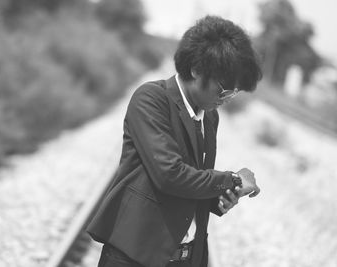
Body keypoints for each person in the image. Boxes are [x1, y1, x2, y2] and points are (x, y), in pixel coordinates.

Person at [87, 15, 262, 267]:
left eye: (234, 93)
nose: (226, 98)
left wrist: (221, 197)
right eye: (224, 89)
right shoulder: (151, 99)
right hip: (134, 256)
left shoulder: (209, 117)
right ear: (197, 69)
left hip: (186, 258)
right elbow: (170, 175)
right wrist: (231, 179)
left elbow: (192, 181)